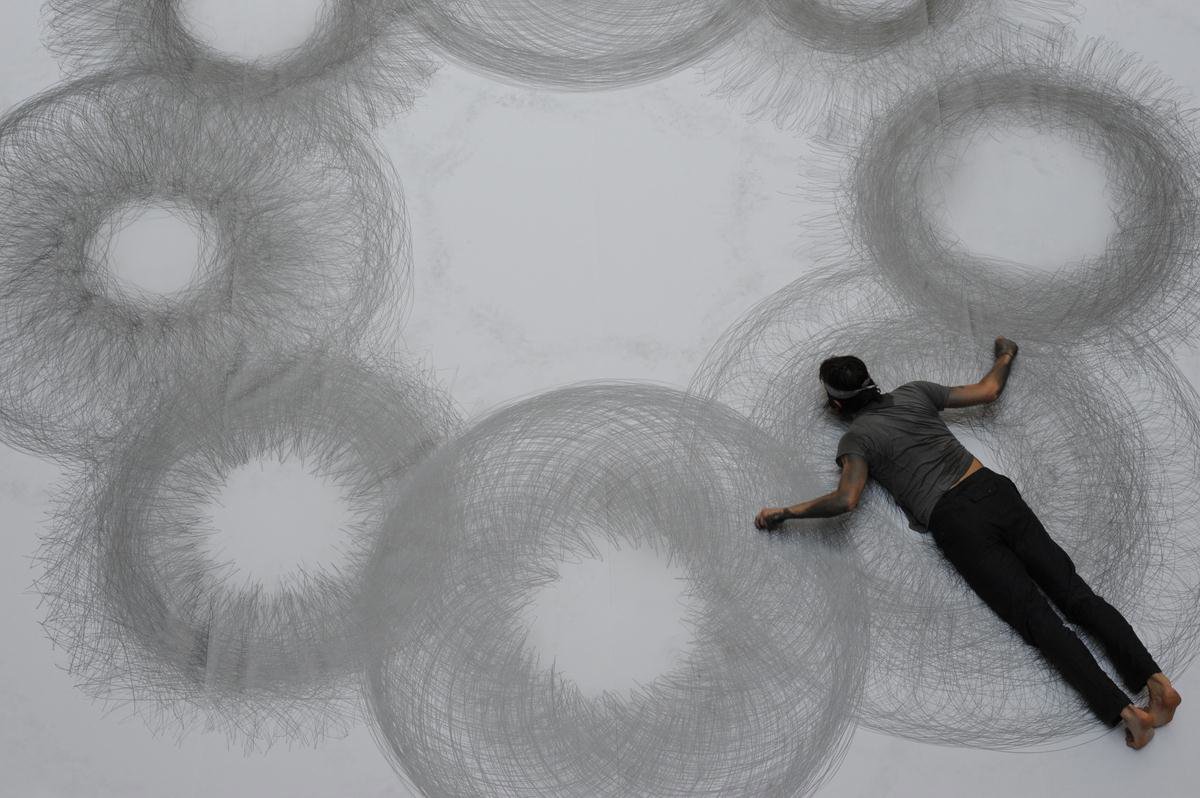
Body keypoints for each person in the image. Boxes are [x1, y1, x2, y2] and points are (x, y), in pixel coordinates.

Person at [753, 337, 1181, 749]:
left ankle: (1129, 714)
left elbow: (846, 499)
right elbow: (988, 390)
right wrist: (1006, 354)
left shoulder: (856, 440)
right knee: (1075, 593)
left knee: (1036, 618)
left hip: (955, 521)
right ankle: (1157, 684)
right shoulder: (915, 392)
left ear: (836, 405)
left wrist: (784, 512)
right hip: (994, 490)